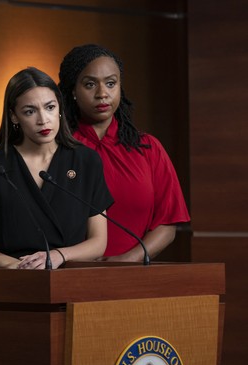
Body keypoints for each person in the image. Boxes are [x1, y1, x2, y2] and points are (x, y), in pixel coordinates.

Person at [0, 67, 113, 269]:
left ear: (60, 109)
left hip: (70, 284)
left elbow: (98, 242)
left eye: (49, 107)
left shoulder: (86, 161)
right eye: (30, 111)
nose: (43, 120)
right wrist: (15, 268)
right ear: (13, 116)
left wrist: (58, 256)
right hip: (7, 284)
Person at [58, 44, 191, 262]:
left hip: (132, 279)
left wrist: (129, 259)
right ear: (73, 90)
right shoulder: (57, 149)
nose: (102, 94)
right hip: (69, 277)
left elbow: (167, 224)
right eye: (90, 84)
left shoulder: (148, 148)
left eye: (111, 83)